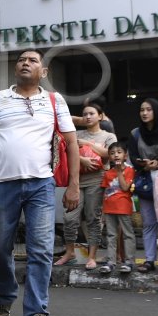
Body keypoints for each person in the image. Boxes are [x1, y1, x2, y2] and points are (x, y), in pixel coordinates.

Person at [0, 49, 79, 316]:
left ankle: (37, 312)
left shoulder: (54, 101)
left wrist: (74, 185)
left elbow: (72, 142)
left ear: (44, 71)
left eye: (32, 60)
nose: (25, 63)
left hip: (41, 184)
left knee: (40, 250)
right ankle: (5, 295)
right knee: (0, 249)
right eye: (21, 60)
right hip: (3, 185)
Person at [56, 104, 114, 269]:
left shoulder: (108, 136)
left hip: (97, 180)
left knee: (92, 218)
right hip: (77, 181)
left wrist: (87, 143)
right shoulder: (76, 133)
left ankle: (92, 256)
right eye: (85, 114)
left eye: (92, 113)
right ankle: (69, 252)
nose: (88, 117)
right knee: (69, 217)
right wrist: (82, 160)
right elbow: (65, 152)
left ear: (101, 116)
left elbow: (109, 153)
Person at [131, 99, 158, 273]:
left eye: (149, 109)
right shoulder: (136, 133)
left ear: (156, 111)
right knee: (148, 222)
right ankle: (149, 260)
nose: (145, 113)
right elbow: (132, 156)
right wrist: (143, 164)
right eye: (142, 109)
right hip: (146, 182)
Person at [97, 142, 136, 274]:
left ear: (125, 156)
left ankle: (129, 261)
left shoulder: (130, 170)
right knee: (111, 235)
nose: (116, 155)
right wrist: (102, 211)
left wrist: (119, 173)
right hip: (109, 208)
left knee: (127, 234)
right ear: (109, 157)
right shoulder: (108, 173)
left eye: (119, 152)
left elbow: (125, 188)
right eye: (112, 153)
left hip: (123, 207)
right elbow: (105, 192)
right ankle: (111, 262)